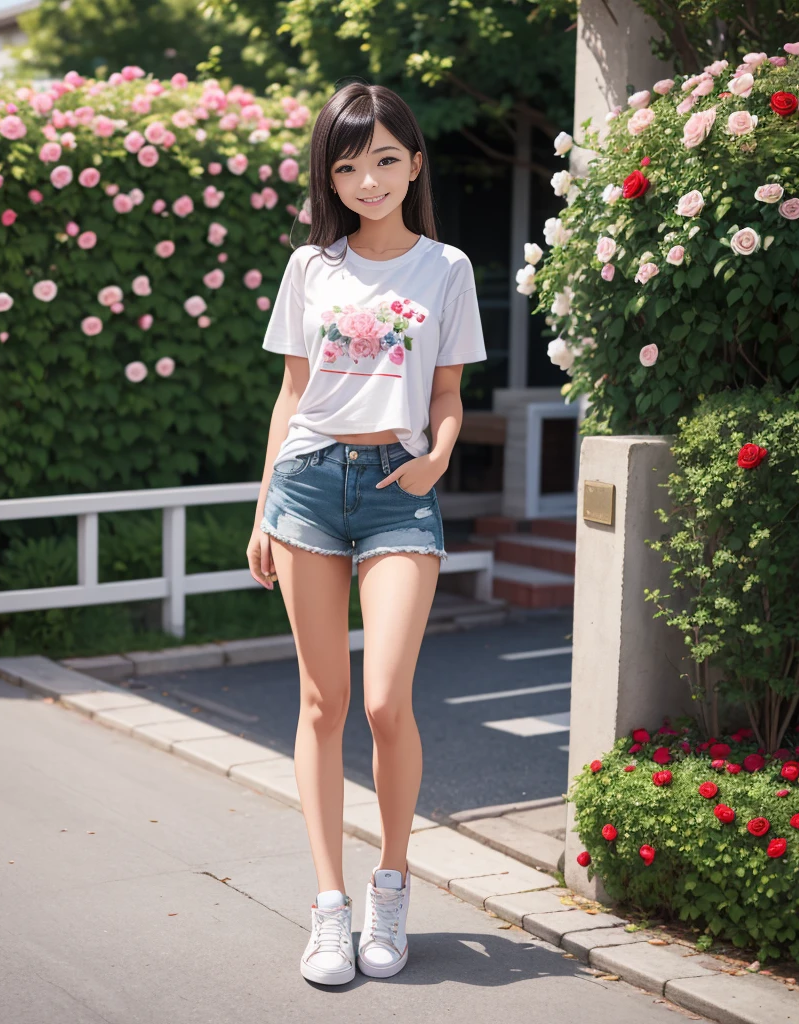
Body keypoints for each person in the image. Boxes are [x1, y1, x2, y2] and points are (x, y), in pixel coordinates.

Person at [245, 81, 487, 985]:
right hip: (308, 486)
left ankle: (393, 880)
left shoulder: (447, 268)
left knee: (385, 701)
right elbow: (294, 396)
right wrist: (264, 507)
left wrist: (435, 461)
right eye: (348, 166)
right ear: (331, 179)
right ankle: (330, 906)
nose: (368, 179)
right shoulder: (311, 269)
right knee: (322, 704)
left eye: (385, 160)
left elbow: (450, 397)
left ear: (414, 165)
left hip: (398, 489)